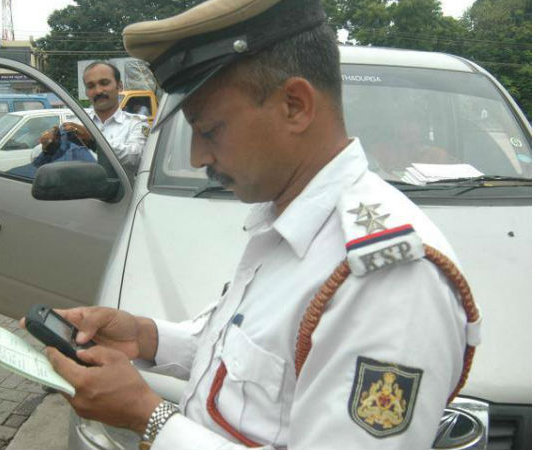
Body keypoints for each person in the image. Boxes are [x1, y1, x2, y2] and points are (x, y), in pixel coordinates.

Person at [30, 1, 482, 449]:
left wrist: (147, 417)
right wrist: (143, 336)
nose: (197, 157)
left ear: (295, 106)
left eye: (210, 130)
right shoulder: (290, 219)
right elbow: (245, 357)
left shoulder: (389, 280)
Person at [44, 61, 149, 178]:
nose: (98, 91)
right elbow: (38, 156)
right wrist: (48, 146)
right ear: (86, 92)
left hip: (121, 190)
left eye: (104, 83)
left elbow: (135, 158)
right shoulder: (76, 122)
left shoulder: (135, 123)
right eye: (91, 86)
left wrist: (94, 141)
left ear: (119, 86)